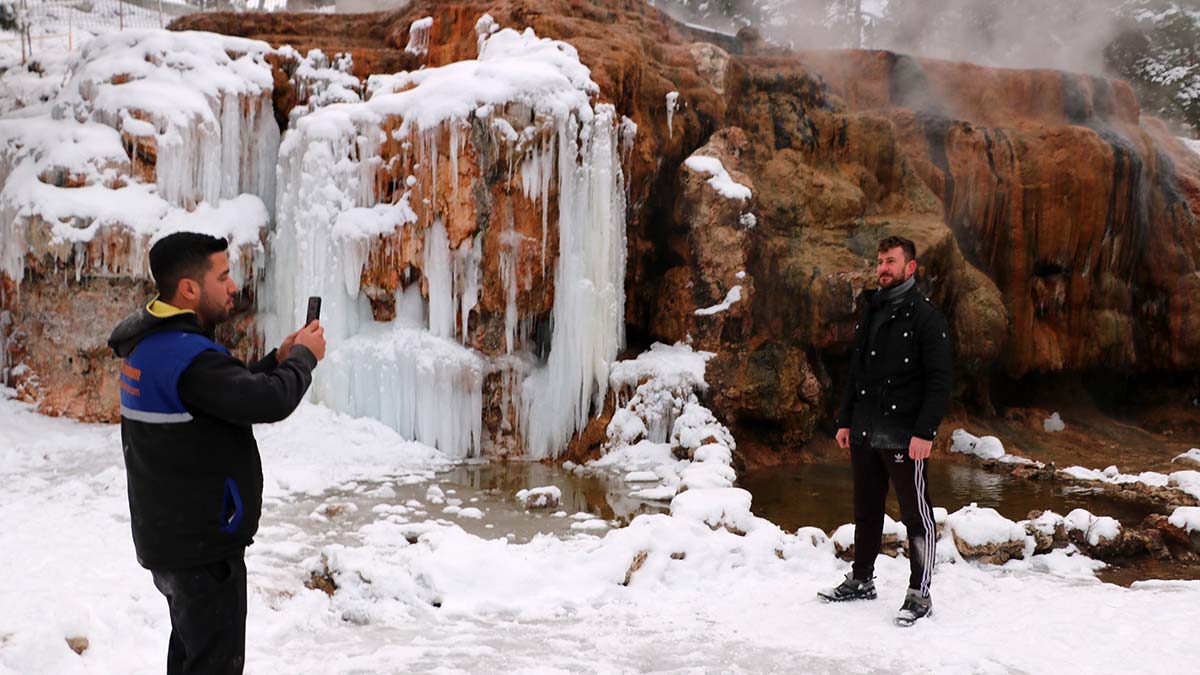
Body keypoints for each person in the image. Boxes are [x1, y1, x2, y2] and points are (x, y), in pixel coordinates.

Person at [107, 232, 326, 673]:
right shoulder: (189, 357)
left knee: (191, 656)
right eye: (222, 276)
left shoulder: (151, 345)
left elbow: (220, 395)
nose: (233, 287)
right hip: (202, 552)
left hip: (170, 541)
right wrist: (304, 359)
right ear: (189, 288)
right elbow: (268, 402)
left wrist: (276, 360)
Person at [817, 235, 952, 627]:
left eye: (890, 261)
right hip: (865, 430)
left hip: (904, 434)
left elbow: (940, 381)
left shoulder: (928, 319)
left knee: (916, 515)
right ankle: (862, 579)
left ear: (910, 267)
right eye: (879, 262)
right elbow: (856, 372)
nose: (883, 268)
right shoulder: (873, 310)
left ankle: (919, 592)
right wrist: (845, 419)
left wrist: (925, 432)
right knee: (866, 510)